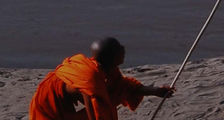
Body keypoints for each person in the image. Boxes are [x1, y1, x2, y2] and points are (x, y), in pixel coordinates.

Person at [29, 37, 173, 120]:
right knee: (105, 105)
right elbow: (95, 113)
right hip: (47, 103)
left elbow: (123, 86)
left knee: (110, 97)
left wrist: (156, 91)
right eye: (118, 48)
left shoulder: (108, 70)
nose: (123, 49)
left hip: (66, 101)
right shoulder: (90, 77)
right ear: (110, 57)